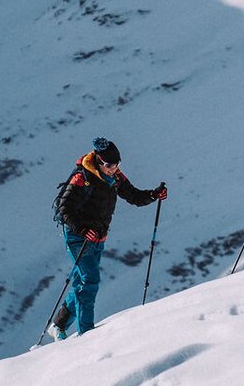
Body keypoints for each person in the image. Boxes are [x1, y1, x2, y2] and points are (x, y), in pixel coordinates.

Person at [49, 138, 167, 339]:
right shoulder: (82, 178)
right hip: (79, 237)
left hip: (98, 237)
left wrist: (153, 195)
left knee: (82, 280)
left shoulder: (115, 177)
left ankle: (59, 325)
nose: (114, 169)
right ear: (99, 162)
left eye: (117, 164)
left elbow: (133, 195)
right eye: (110, 165)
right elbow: (65, 209)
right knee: (90, 280)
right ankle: (85, 334)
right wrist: (82, 229)